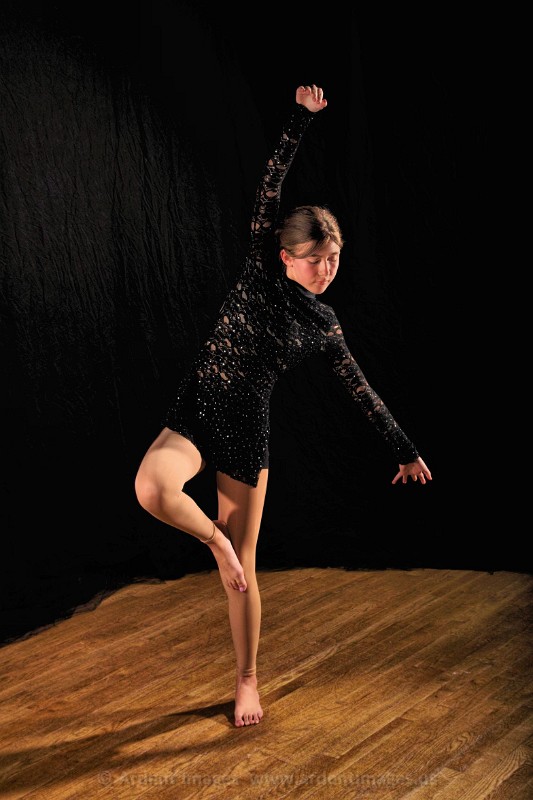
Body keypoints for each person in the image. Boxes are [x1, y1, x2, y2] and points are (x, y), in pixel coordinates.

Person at [135, 84, 432, 728]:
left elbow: (360, 389)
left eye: (334, 259)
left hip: (245, 433)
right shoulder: (259, 271)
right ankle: (215, 541)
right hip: (198, 410)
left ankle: (247, 681)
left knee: (244, 574)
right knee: (152, 488)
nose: (327, 270)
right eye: (316, 259)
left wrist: (405, 451)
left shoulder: (324, 324)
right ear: (286, 257)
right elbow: (270, 184)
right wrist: (301, 118)